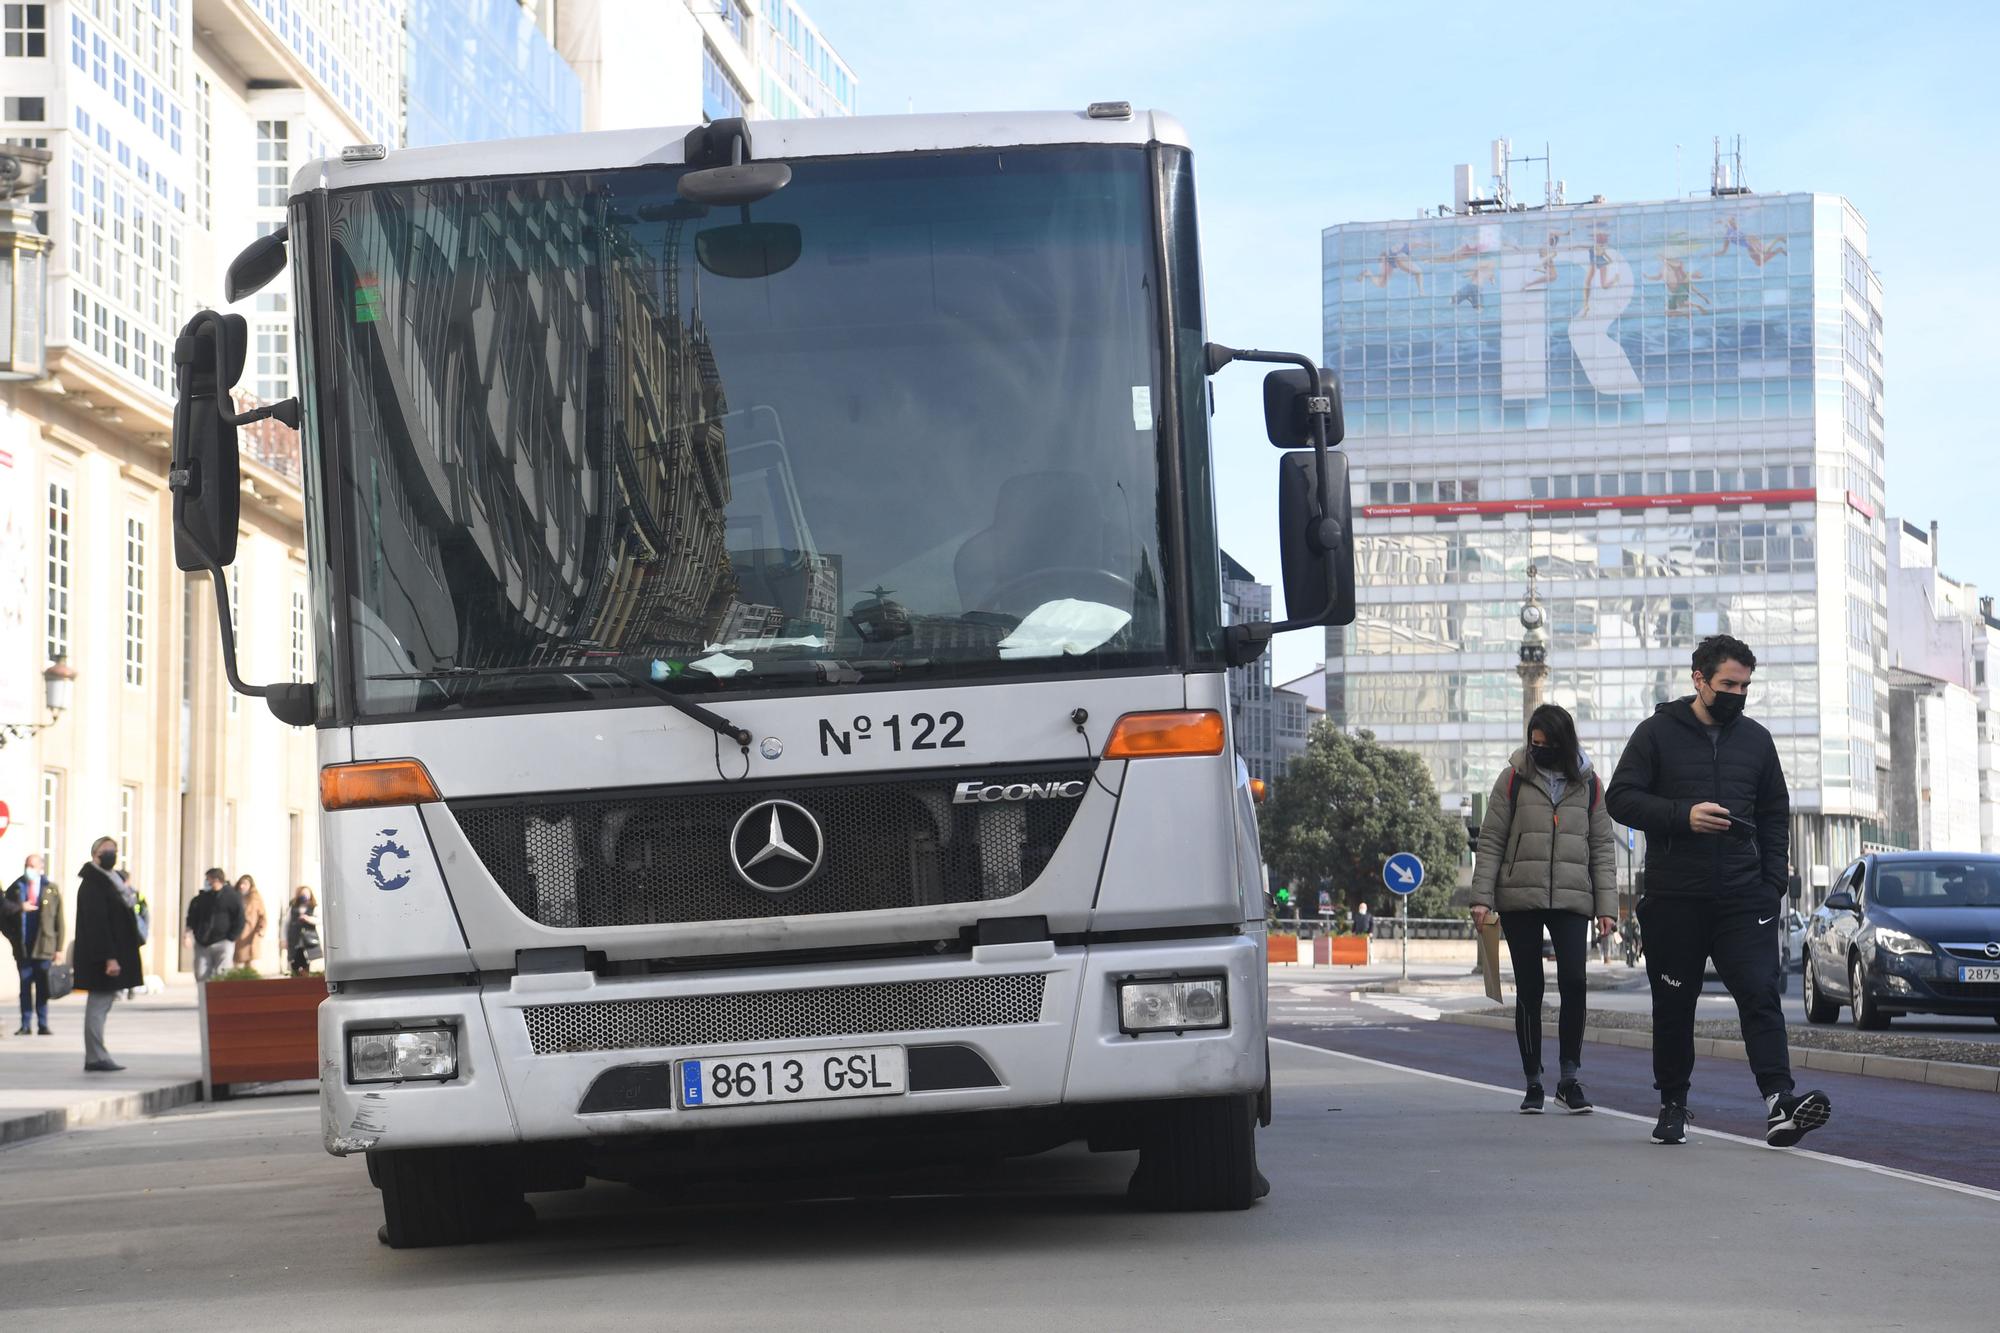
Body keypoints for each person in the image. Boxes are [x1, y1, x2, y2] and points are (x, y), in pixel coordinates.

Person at [1607, 635, 1832, 1148]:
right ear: (1699, 680)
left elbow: (1776, 813)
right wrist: (1681, 817)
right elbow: (1620, 798)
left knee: (1759, 994)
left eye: (1745, 685)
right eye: (1728, 684)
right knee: (1674, 1003)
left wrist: (1772, 883)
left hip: (1743, 897)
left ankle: (1780, 1102)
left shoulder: (1756, 741)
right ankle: (1673, 1105)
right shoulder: (1656, 733)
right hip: (1673, 898)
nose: (1737, 693)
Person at [1470, 704, 1616, 1114]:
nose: (1539, 750)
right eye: (1534, 744)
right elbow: (1492, 838)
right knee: (1530, 989)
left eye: (1547, 745)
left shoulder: (1589, 785)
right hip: (1520, 896)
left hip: (1573, 898)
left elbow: (1603, 849)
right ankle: (1533, 1081)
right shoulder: (1513, 778)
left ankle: (1569, 1079)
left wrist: (1606, 906)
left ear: (1564, 743)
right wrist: (1482, 897)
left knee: (1574, 981)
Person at [72, 836, 143, 1072]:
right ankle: (95, 1057)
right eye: (106, 850)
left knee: (101, 1006)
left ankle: (96, 1055)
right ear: (95, 854)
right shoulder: (94, 884)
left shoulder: (111, 881)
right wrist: (109, 958)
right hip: (101, 957)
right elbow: (97, 924)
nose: (111, 854)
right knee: (98, 1005)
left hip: (110, 953)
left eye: (114, 850)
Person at [5, 854, 65, 1036]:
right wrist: (12, 935)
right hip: (23, 946)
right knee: (25, 987)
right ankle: (25, 1024)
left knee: (42, 987)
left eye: (32, 866)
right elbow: (4, 913)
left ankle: (43, 1023)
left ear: (41, 868)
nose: (29, 869)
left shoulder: (51, 889)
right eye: (26, 865)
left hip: (44, 946)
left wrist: (59, 948)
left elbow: (59, 921)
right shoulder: (16, 888)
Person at [186, 868, 242, 981]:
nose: (207, 882)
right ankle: (204, 998)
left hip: (224, 941)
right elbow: (192, 917)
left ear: (217, 880)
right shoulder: (201, 898)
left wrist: (232, 937)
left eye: (209, 879)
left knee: (222, 974)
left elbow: (240, 918)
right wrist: (187, 934)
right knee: (201, 973)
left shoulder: (232, 897)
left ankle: (221, 998)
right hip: (203, 942)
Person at [285, 886, 321, 977]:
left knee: (309, 960)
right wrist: (284, 939)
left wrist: (308, 919)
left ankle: (305, 976)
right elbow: (286, 923)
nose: (304, 895)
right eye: (303, 893)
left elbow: (319, 920)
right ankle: (299, 975)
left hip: (309, 938)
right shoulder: (293, 907)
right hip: (296, 939)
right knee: (295, 959)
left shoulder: (314, 907)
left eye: (307, 893)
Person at [234, 873, 267, 969]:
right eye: (241, 883)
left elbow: (263, 916)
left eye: (245, 884)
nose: (242, 886)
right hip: (238, 936)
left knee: (252, 966)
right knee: (238, 967)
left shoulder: (255, 898)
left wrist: (261, 929)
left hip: (251, 935)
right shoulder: (235, 897)